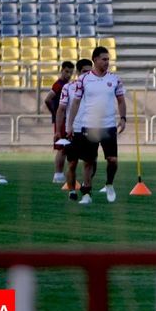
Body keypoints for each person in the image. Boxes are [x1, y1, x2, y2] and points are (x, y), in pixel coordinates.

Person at [67, 47, 126, 205]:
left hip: (108, 126)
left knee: (112, 160)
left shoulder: (114, 79)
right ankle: (86, 194)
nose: (107, 62)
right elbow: (76, 102)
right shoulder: (84, 79)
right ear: (95, 59)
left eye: (108, 59)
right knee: (88, 161)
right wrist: (70, 124)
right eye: (104, 59)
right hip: (89, 126)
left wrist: (123, 118)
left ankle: (109, 184)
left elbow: (121, 100)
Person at [55, 58, 92, 193]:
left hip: (91, 129)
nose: (87, 75)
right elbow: (61, 109)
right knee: (72, 163)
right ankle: (72, 192)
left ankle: (85, 184)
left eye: (89, 72)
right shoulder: (68, 87)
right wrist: (59, 131)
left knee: (90, 162)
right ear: (77, 72)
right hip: (74, 131)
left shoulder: (95, 89)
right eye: (84, 72)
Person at [45, 60, 75, 184]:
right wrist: (54, 113)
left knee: (65, 147)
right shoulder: (58, 84)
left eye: (71, 72)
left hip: (65, 119)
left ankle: (60, 174)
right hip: (61, 120)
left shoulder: (67, 84)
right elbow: (47, 99)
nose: (68, 75)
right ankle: (58, 175)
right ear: (61, 70)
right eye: (66, 71)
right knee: (62, 148)